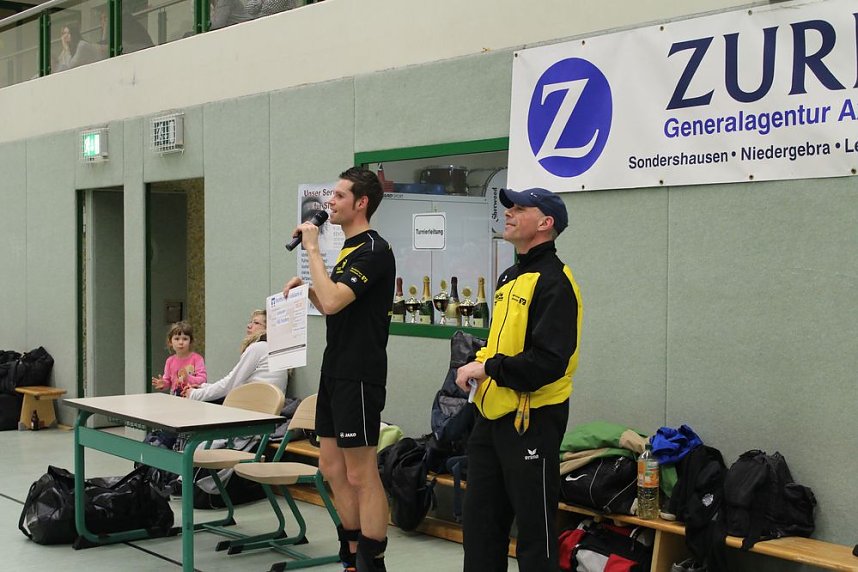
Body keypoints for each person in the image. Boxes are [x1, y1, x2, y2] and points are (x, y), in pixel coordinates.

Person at [454, 187, 583, 572]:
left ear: (545, 224)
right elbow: (500, 344)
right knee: (480, 527)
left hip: (532, 422)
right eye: (509, 206)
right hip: (490, 419)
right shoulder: (511, 276)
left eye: (521, 208)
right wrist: (476, 364)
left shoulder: (556, 282)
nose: (509, 212)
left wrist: (489, 369)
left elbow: (548, 363)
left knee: (534, 531)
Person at [282, 167, 395, 572]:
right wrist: (305, 290)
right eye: (330, 196)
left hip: (360, 373)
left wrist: (312, 249)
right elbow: (334, 300)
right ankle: (350, 552)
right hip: (335, 369)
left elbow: (332, 303)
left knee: (362, 472)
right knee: (331, 466)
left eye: (339, 196)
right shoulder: (349, 248)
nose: (329, 202)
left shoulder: (374, 250)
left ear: (361, 203)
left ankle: (372, 560)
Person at [182, 309, 288, 402]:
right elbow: (238, 384)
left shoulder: (258, 348)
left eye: (256, 323)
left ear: (267, 329)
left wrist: (194, 394)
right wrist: (202, 387)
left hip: (253, 408)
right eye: (250, 322)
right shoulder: (272, 349)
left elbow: (230, 384)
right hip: (265, 407)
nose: (249, 325)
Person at [152, 320, 207, 396]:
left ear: (190, 341)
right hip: (175, 397)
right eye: (177, 339)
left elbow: (202, 379)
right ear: (170, 342)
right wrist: (163, 384)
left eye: (185, 339)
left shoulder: (197, 359)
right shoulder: (170, 361)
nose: (181, 342)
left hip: (192, 396)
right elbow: (168, 381)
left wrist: (187, 378)